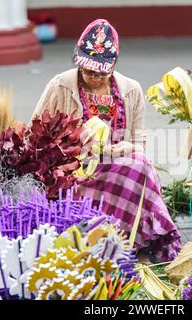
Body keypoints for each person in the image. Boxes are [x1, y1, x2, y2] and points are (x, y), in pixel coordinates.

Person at [32, 19, 180, 262]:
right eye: (88, 71)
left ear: (112, 67)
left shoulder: (130, 90)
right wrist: (71, 143)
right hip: (72, 168)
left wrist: (127, 147)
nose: (93, 77)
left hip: (114, 165)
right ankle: (92, 242)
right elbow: (35, 132)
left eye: (101, 73)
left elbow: (138, 141)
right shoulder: (60, 85)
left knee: (140, 164)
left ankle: (129, 242)